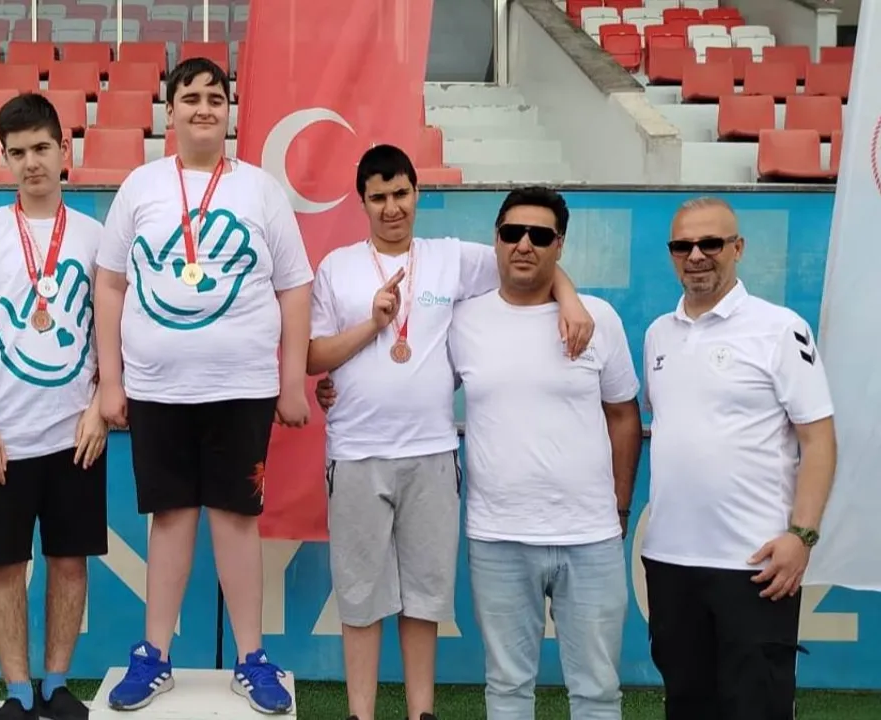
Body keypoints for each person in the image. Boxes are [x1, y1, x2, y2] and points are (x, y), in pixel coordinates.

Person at [309, 158, 595, 720]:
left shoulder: (449, 257)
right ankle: (360, 713)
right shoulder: (337, 267)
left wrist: (570, 298)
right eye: (378, 198)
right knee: (360, 598)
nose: (392, 208)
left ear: (417, 193)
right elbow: (314, 357)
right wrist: (373, 324)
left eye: (400, 193)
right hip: (356, 452)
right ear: (361, 202)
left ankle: (423, 712)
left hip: (433, 453)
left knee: (425, 598)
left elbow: (527, 262)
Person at [95, 56, 312, 714]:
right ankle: (154, 655)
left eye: (215, 98)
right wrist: (111, 380)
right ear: (170, 112)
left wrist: (292, 380)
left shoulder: (260, 190)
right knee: (169, 519)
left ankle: (252, 658)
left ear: (229, 112)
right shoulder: (141, 187)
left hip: (242, 388)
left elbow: (294, 287)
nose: (203, 108)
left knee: (238, 520)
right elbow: (110, 284)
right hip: (157, 390)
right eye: (190, 97)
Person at [447, 187, 642, 720]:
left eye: (540, 235)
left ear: (560, 245)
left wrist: (620, 507)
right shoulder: (463, 321)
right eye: (513, 233)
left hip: (590, 537)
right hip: (498, 537)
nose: (524, 245)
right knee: (507, 688)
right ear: (496, 240)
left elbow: (623, 415)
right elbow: (412, 383)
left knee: (598, 690)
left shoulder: (597, 318)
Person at [641, 197, 837, 720]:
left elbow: (819, 439)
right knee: (687, 704)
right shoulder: (658, 334)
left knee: (757, 707)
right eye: (683, 245)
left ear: (738, 248)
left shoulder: (780, 328)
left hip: (755, 566)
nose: (696, 256)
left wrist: (802, 536)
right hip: (670, 562)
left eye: (711, 243)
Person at [0, 93, 108, 720]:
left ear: (64, 149)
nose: (31, 162)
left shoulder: (96, 237)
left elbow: (112, 331)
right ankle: (17, 692)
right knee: (3, 566)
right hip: (3, 437)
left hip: (76, 434)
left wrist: (100, 407)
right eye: (17, 152)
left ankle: (56, 684)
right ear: (3, 157)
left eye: (42, 148)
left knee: (69, 562)